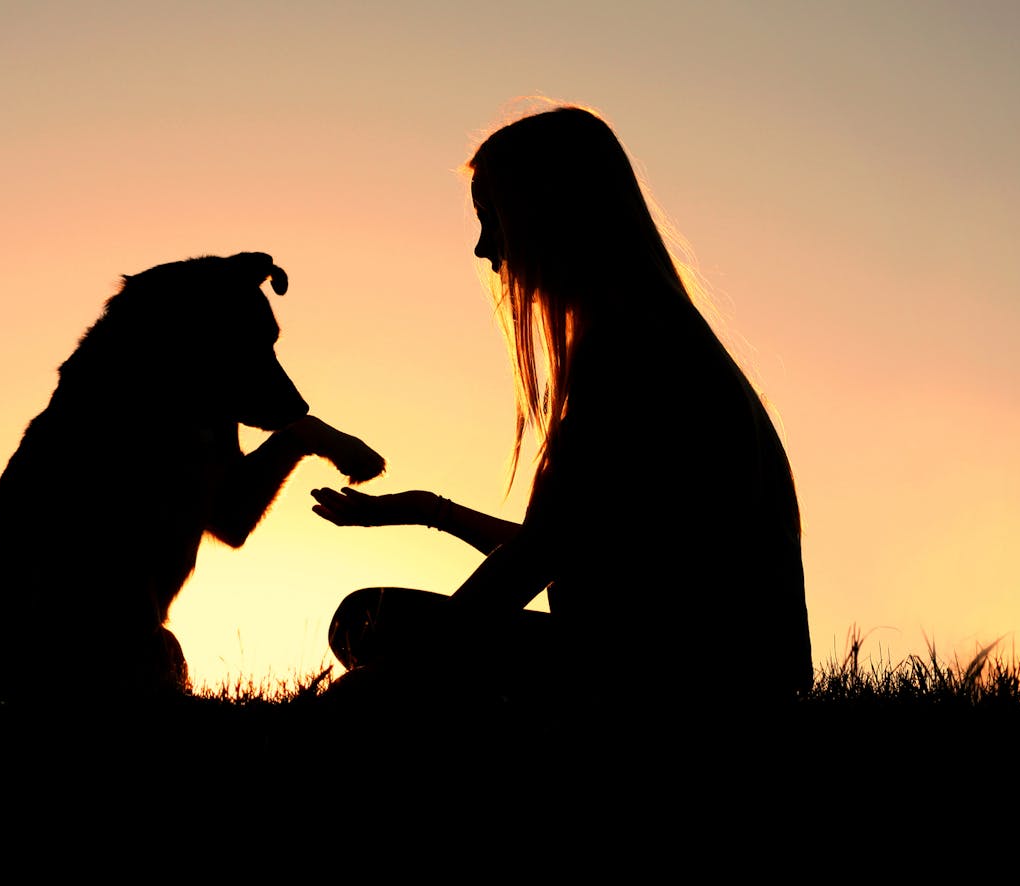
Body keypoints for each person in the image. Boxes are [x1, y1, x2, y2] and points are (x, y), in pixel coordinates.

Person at [312, 106, 811, 709]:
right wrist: (431, 512)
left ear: (546, 212)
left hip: (693, 680)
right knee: (371, 620)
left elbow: (537, 558)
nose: (481, 247)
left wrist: (406, 672)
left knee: (374, 626)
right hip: (715, 665)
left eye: (490, 219)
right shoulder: (650, 332)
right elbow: (566, 541)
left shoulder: (632, 346)